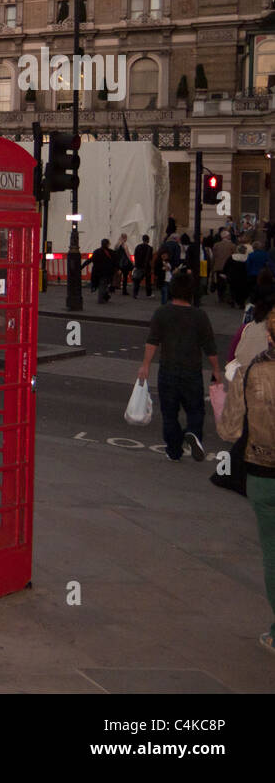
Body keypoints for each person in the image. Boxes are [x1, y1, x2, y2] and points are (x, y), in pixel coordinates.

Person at [216, 308, 275, 656]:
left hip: (263, 474)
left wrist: (221, 404)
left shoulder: (252, 371)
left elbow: (229, 430)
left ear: (269, 335)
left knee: (272, 554)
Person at [139, 272, 221, 462]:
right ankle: (192, 432)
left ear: (172, 290)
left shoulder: (162, 313)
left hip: (168, 370)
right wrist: (216, 369)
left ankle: (174, 450)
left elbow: (152, 342)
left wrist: (145, 366)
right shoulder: (200, 315)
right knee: (196, 410)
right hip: (192, 371)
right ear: (191, 292)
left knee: (169, 414)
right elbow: (209, 346)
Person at [214, 294, 275, 495]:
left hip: (247, 383)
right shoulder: (268, 332)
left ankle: (231, 475)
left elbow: (235, 354)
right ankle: (235, 476)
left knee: (250, 432)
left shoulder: (248, 328)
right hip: (263, 386)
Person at [213, 229, 236, 305]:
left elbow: (214, 256)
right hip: (228, 267)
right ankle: (227, 297)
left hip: (218, 266)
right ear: (227, 236)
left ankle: (220, 297)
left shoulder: (216, 245)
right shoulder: (232, 245)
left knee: (219, 282)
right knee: (227, 283)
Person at [91, 238, 116, 303]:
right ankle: (101, 299)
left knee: (102, 285)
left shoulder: (96, 251)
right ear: (108, 244)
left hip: (97, 271)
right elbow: (115, 262)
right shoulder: (111, 252)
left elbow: (90, 260)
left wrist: (82, 266)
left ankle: (104, 297)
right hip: (107, 272)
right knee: (104, 285)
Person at [132, 234, 154, 299]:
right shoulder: (150, 248)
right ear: (148, 240)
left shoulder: (138, 247)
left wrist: (135, 265)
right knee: (148, 281)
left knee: (137, 280)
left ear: (142, 239)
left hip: (138, 266)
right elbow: (150, 259)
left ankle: (135, 294)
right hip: (146, 266)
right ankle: (148, 294)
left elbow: (135, 256)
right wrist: (151, 267)